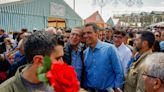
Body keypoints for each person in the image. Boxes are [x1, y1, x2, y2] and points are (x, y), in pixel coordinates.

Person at [83, 23, 124, 92]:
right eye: (84, 33)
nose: (86, 36)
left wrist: (117, 87)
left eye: (89, 33)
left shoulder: (110, 49)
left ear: (97, 33)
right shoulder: (85, 53)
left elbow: (119, 71)